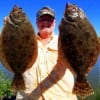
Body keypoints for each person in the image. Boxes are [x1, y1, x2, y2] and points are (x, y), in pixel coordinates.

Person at [4, 6, 77, 100]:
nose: (45, 22)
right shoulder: (25, 40)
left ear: (54, 23)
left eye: (49, 19)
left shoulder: (66, 40)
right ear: (36, 22)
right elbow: (8, 47)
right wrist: (9, 28)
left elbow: (82, 48)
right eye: (42, 19)